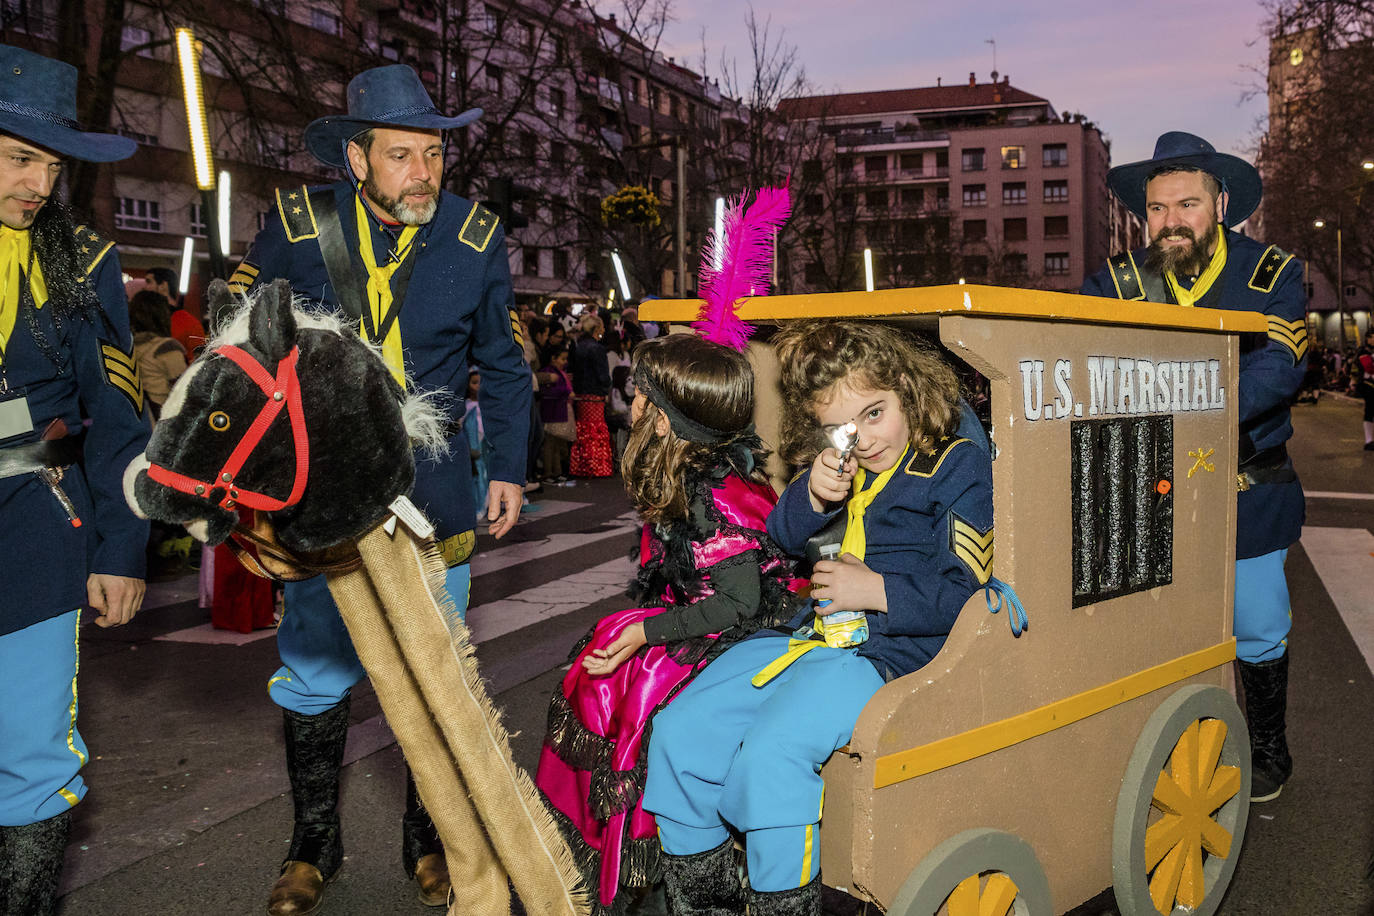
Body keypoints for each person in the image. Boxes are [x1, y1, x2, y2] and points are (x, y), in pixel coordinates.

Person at [228, 63, 531, 914]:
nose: (422, 175)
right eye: (402, 156)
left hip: (433, 490)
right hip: (322, 495)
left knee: (436, 675)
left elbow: (503, 367)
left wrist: (505, 465)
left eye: (433, 157)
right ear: (358, 160)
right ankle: (311, 846)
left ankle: (429, 840)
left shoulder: (475, 238)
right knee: (317, 672)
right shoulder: (295, 229)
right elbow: (242, 360)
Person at [642, 320, 994, 916]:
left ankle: (782, 903)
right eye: (840, 427)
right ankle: (703, 901)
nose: (863, 439)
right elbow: (779, 541)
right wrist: (814, 494)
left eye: (875, 413)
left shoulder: (956, 467)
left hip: (892, 652)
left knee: (771, 755)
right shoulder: (844, 461)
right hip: (816, 634)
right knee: (682, 726)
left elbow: (969, 595)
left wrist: (876, 589)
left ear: (908, 389)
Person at [536, 334, 800, 915]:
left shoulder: (708, 492)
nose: (630, 403)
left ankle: (658, 861)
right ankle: (634, 864)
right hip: (708, 615)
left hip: (747, 635)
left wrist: (644, 633)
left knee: (634, 702)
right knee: (602, 663)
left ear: (664, 420)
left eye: (641, 396)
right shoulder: (693, 470)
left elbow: (738, 604)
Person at [1082, 131, 1307, 803]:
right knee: (1148, 632)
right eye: (1157, 208)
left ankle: (1269, 745)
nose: (1172, 221)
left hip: (1245, 489)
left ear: (1222, 204)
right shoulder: (1118, 284)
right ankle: (1166, 748)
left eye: (1188, 204)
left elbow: (1277, 371)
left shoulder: (1271, 275)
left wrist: (1176, 408)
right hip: (1146, 490)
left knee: (1258, 623)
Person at [0, 44, 149, 915]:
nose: (38, 184)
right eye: (21, 158)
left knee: (33, 757)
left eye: (50, 167)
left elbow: (119, 420)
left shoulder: (84, 261)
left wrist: (122, 548)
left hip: (37, 522)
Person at [128, 289, 188, 417]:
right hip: (161, 417)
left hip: (134, 417)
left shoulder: (127, 346)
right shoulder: (166, 348)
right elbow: (185, 390)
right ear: (162, 314)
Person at [571, 312, 613, 477]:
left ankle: (582, 465)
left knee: (583, 430)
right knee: (596, 430)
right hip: (595, 395)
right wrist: (606, 387)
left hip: (581, 395)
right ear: (597, 328)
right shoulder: (597, 348)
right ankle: (597, 466)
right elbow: (602, 375)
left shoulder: (578, 346)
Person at [144, 265, 205, 356]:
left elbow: (197, 359)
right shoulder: (190, 323)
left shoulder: (188, 323)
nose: (145, 287)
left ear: (163, 286)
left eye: (149, 282)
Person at [538, 345, 574, 483]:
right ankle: (548, 472)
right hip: (551, 412)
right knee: (550, 444)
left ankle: (557, 472)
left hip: (558, 412)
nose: (565, 362)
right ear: (553, 358)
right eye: (562, 358)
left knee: (557, 443)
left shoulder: (559, 372)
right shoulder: (549, 373)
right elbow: (547, 392)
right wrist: (565, 391)